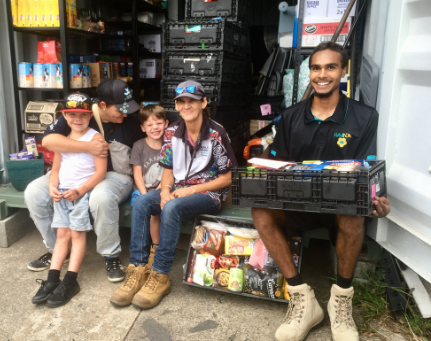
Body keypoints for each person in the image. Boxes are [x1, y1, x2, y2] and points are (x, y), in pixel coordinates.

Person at [253, 42, 390, 341]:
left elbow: (368, 169)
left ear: (343, 70)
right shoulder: (290, 117)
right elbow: (277, 166)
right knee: (259, 207)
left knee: (354, 209)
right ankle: (302, 297)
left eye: (330, 67)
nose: (322, 74)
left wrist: (378, 198)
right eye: (316, 68)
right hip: (298, 203)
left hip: (339, 208)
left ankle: (341, 301)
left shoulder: (365, 117)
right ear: (310, 73)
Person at [110, 80, 238, 308]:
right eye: (182, 102)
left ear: (203, 102)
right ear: (176, 106)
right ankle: (138, 270)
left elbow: (228, 178)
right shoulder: (171, 132)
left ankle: (160, 275)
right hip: (178, 189)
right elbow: (168, 170)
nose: (187, 106)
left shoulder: (216, 132)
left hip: (209, 194)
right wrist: (166, 190)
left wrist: (191, 189)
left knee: (171, 207)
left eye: (192, 101)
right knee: (142, 203)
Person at [25, 79, 145, 282]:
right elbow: (48, 141)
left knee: (101, 197)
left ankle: (110, 255)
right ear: (103, 106)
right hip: (73, 171)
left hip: (114, 175)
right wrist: (88, 147)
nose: (125, 114)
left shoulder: (130, 122)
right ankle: (58, 251)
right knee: (34, 192)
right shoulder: (79, 113)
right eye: (120, 109)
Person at [31, 93, 107, 307]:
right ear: (64, 115)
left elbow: (100, 172)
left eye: (82, 115)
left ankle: (70, 280)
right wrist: (52, 186)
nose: (77, 119)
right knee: (62, 234)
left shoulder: (95, 138)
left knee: (77, 234)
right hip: (62, 193)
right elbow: (55, 169)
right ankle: (52, 279)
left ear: (90, 116)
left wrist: (81, 191)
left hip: (79, 194)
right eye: (71, 114)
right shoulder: (63, 140)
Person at [129, 104, 169, 268]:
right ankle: (143, 251)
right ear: (143, 128)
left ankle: (155, 248)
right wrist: (144, 194)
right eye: (149, 124)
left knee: (156, 213)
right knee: (144, 209)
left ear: (166, 124)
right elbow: (137, 173)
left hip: (163, 187)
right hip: (142, 189)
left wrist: (161, 189)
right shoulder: (139, 146)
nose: (155, 128)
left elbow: (169, 171)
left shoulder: (169, 145)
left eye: (158, 123)